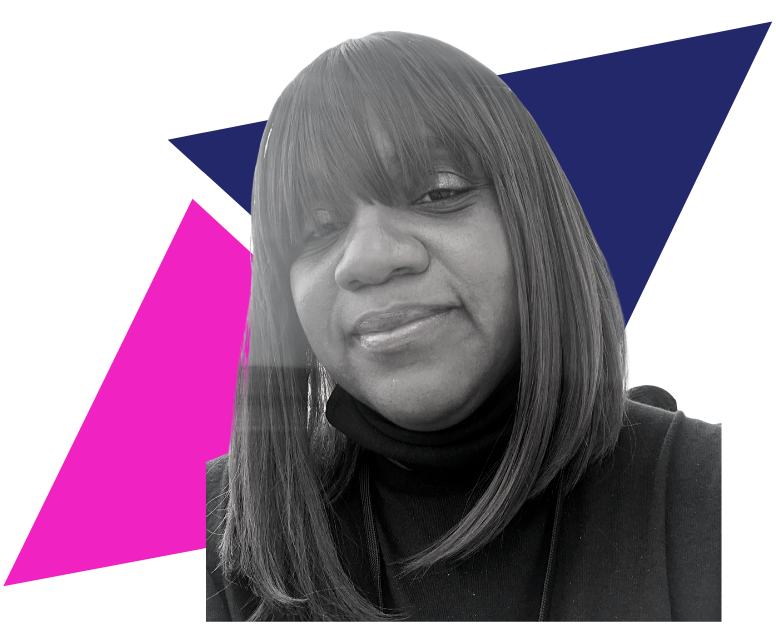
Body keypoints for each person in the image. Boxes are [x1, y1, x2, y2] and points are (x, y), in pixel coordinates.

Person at [206, 32, 721, 622]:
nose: (366, 259)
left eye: (437, 192)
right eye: (317, 228)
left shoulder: (703, 492)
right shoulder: (216, 530)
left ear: (536, 221)